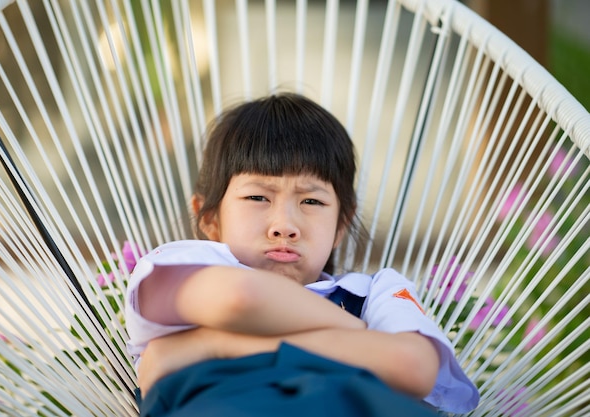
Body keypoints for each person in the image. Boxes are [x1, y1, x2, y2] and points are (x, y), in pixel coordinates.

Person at [125, 93, 480, 416]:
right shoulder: (178, 267)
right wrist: (362, 336)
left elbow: (413, 367)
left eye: (311, 201)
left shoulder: (373, 292)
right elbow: (241, 297)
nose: (285, 225)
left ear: (341, 223)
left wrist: (214, 343)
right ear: (209, 218)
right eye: (257, 197)